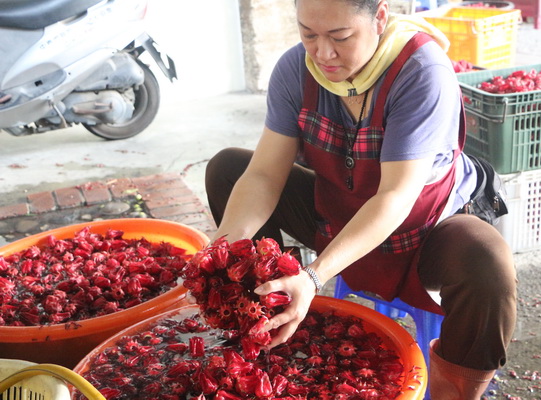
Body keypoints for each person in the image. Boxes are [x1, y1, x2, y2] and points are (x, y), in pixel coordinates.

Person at [205, 0, 517, 398]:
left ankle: (454, 392)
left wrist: (315, 275)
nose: (323, 53)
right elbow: (265, 174)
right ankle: (266, 321)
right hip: (339, 211)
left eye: (341, 37)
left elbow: (395, 196)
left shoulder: (420, 71)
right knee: (229, 170)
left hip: (423, 226)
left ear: (380, 18)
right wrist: (221, 250)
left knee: (487, 263)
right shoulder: (295, 70)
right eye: (309, 34)